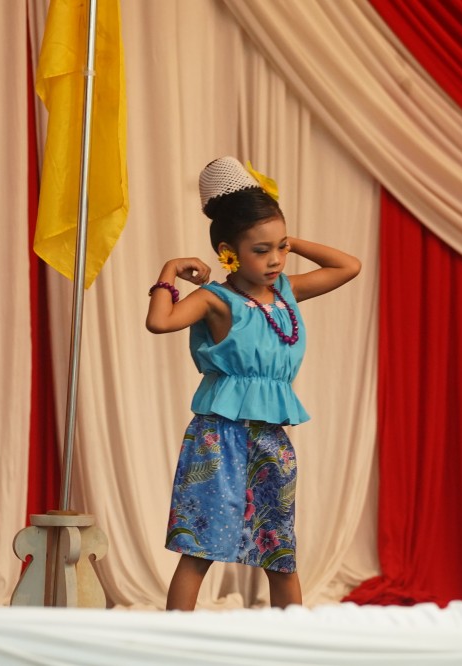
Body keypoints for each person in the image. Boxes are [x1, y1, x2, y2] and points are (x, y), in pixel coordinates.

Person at [146, 156, 360, 611]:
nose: (276, 259)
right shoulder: (215, 299)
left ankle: (291, 641)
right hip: (218, 437)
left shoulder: (287, 292)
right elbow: (160, 322)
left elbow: (349, 265)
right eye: (261, 250)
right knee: (198, 548)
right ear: (228, 252)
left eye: (281, 248)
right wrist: (170, 269)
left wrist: (283, 237)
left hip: (271, 438)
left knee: (279, 553)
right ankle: (173, 642)